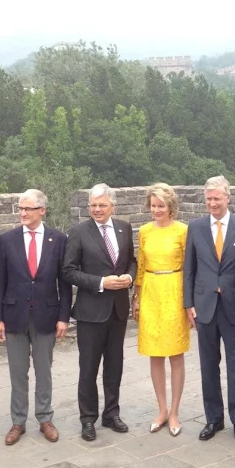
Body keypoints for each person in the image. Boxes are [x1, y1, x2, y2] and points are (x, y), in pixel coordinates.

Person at [0, 189, 72, 445]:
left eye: (28, 209)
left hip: (46, 315)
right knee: (18, 372)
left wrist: (63, 317)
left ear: (42, 210)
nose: (23, 213)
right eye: (20, 208)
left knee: (44, 370)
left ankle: (45, 418)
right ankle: (18, 422)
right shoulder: (7, 240)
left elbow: (64, 282)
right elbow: (0, 282)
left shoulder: (58, 239)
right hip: (14, 314)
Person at [183, 175, 235, 443]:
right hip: (204, 307)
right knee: (208, 366)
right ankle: (213, 419)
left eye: (217, 198)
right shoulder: (196, 226)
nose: (212, 203)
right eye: (209, 199)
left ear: (228, 198)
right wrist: (188, 303)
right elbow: (189, 269)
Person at [63, 183, 136, 442]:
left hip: (117, 311)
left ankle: (111, 413)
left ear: (112, 206)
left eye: (102, 205)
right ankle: (88, 418)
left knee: (115, 365)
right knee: (89, 368)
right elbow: (68, 271)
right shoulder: (79, 232)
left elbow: (131, 261)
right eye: (93, 205)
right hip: (90, 311)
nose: (96, 209)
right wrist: (101, 282)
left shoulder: (124, 228)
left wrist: (129, 276)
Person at [132, 183, 189, 437]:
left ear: (170, 206)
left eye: (161, 206)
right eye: (153, 205)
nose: (156, 210)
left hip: (174, 290)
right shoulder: (144, 231)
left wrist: (189, 302)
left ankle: (175, 411)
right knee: (155, 354)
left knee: (175, 355)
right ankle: (162, 409)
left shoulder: (183, 231)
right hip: (151, 293)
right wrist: (137, 297)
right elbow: (141, 265)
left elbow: (189, 268)